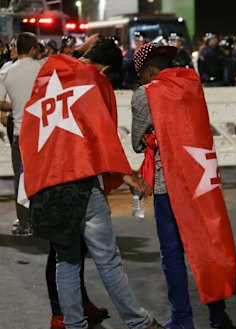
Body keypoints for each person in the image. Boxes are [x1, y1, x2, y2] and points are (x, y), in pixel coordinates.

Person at [18, 38, 167, 329]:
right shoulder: (94, 81)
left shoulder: (48, 72)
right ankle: (138, 322)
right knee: (107, 259)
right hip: (79, 182)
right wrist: (125, 174)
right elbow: (102, 132)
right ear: (107, 68)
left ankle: (74, 324)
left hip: (46, 185)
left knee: (66, 259)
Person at [131, 42, 236, 329]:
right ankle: (219, 314)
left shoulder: (146, 93)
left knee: (172, 253)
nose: (139, 80)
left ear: (150, 70)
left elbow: (135, 141)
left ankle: (182, 319)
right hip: (202, 178)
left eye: (139, 74)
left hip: (170, 183)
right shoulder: (192, 84)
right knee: (207, 244)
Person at [0, 32, 40, 236]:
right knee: (43, 176)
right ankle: (44, 220)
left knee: (21, 177)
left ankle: (25, 223)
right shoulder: (45, 68)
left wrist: (16, 106)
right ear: (33, 49)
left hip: (20, 132)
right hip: (44, 132)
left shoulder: (7, 71)